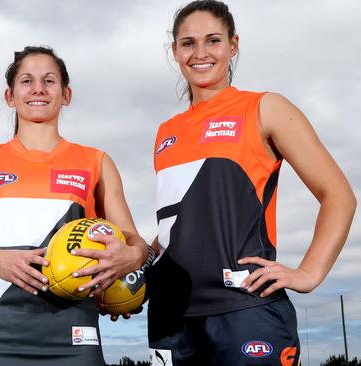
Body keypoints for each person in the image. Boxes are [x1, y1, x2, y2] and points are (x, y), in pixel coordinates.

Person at [142, 1, 356, 365]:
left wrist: (309, 273)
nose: (201, 53)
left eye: (213, 41)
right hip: (171, 317)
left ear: (233, 45)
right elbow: (176, 226)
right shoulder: (166, 132)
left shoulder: (264, 108)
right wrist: (137, 266)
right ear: (175, 50)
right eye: (188, 43)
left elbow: (338, 195)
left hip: (245, 309)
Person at [0, 46, 154, 366]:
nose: (38, 89)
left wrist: (131, 257)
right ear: (10, 96)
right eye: (26, 81)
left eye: (49, 81)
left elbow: (134, 241)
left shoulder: (96, 162)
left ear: (66, 94)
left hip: (75, 332)